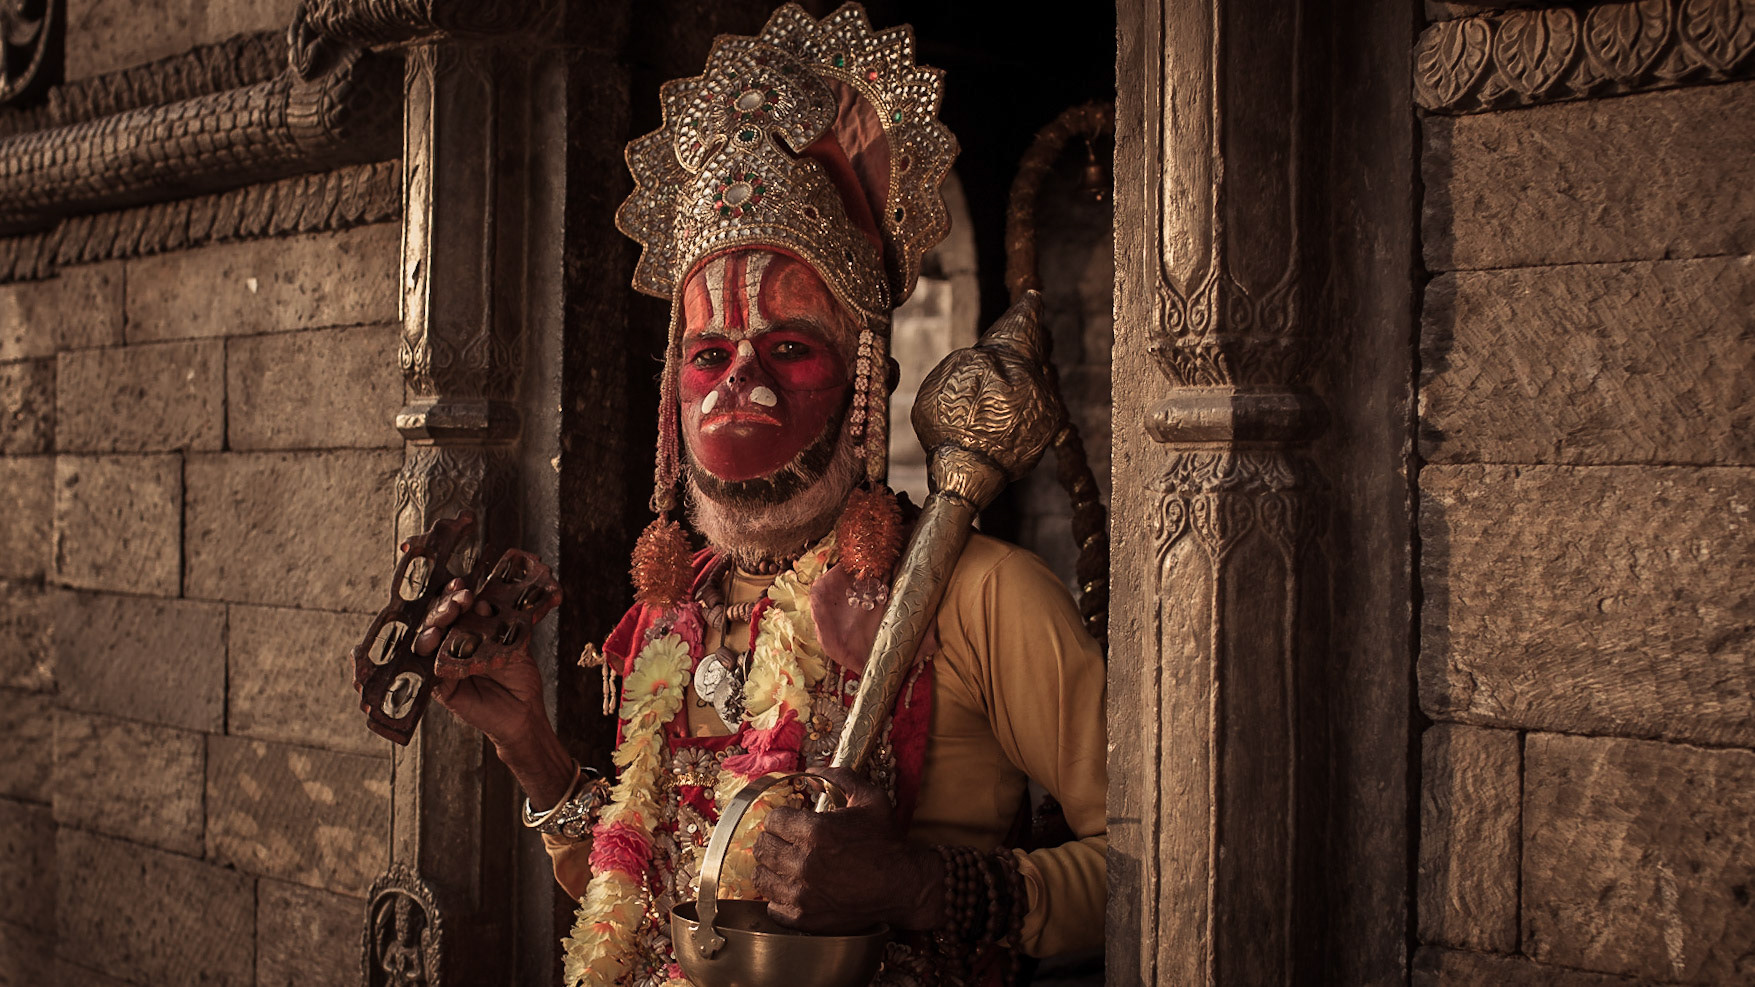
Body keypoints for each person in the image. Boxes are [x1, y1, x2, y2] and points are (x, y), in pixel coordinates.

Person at [414, 5, 1105, 985]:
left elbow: (1159, 865)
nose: (744, 382)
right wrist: (527, 741)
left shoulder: (981, 596)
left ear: (867, 380)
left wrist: (915, 886)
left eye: (788, 347)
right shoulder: (674, 608)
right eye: (709, 355)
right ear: (674, 396)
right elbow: (646, 896)